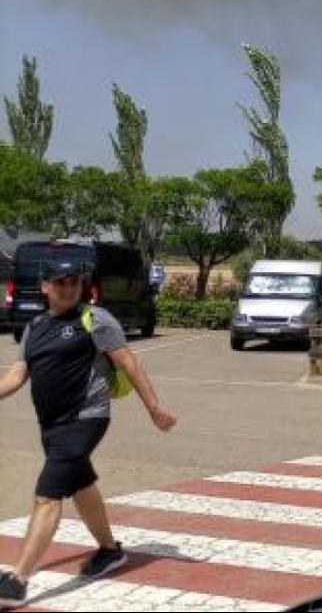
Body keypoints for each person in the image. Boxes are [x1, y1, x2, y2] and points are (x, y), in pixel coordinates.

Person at [0, 261, 177, 610]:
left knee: (47, 495)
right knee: (81, 484)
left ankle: (18, 579)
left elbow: (128, 363)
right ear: (45, 287)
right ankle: (109, 551)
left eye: (74, 282)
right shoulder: (35, 327)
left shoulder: (96, 319)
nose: (69, 288)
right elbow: (17, 375)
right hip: (51, 424)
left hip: (86, 418)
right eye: (60, 282)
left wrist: (154, 407)